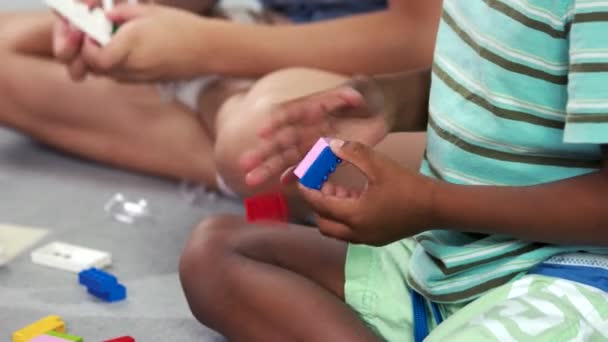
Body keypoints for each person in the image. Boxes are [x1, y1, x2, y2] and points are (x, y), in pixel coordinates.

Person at [179, 0, 608, 340]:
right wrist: (387, 101)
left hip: (563, 277)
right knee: (215, 253)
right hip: (447, 258)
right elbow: (501, 80)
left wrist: (430, 204)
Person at [0, 0, 438, 200]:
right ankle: (220, 108)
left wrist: (210, 49)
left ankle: (210, 92)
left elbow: (423, 40)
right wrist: (114, 10)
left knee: (254, 142)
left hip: (387, 87)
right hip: (260, 25)